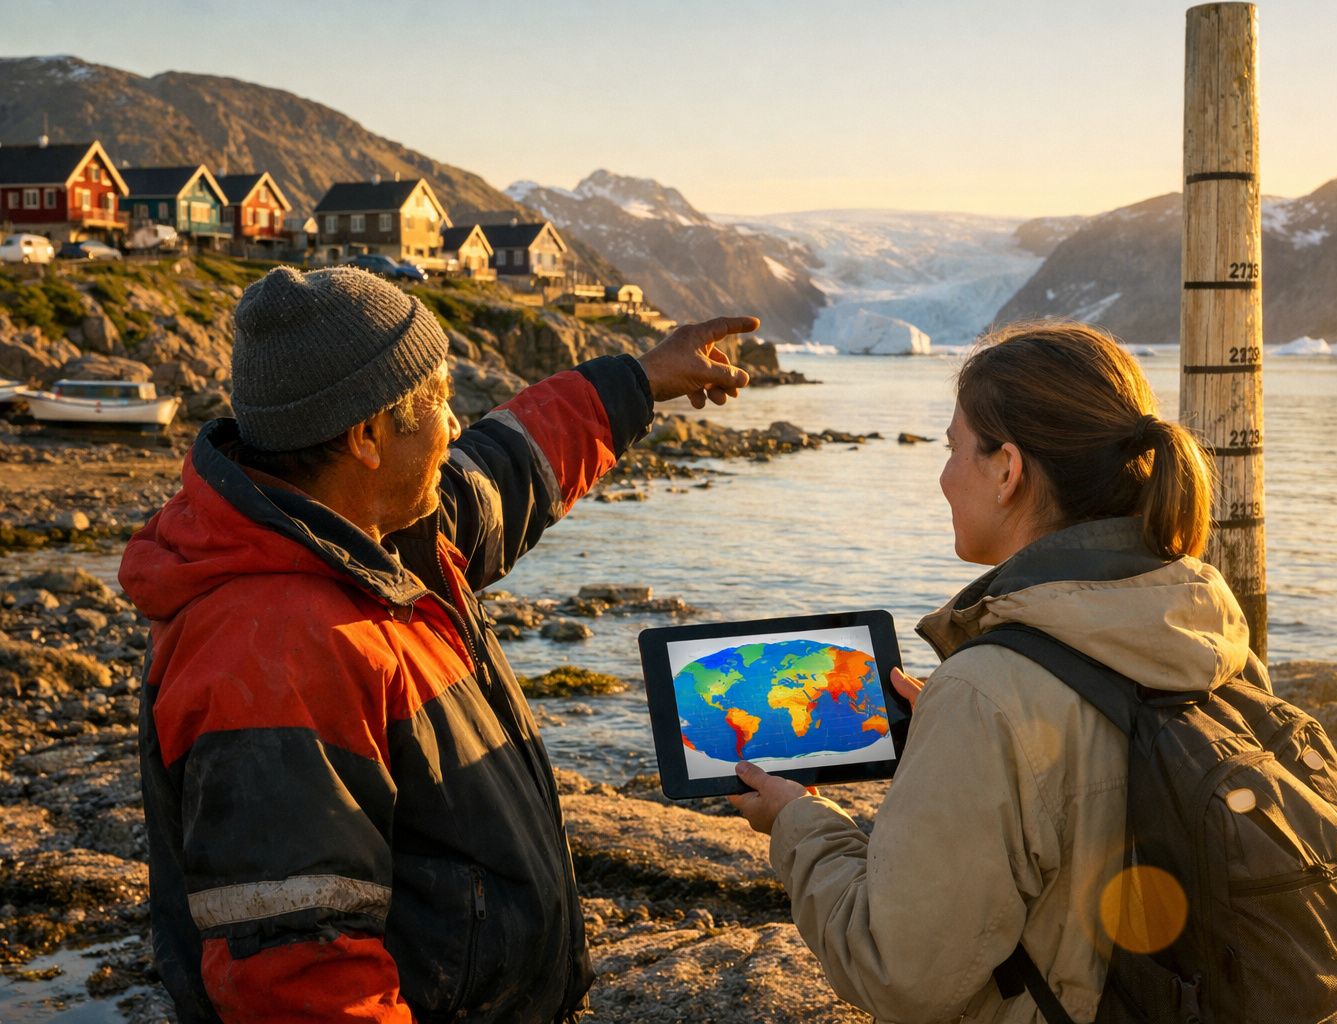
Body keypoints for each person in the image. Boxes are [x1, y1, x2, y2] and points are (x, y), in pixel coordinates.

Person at [119, 265, 756, 1023]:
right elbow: (301, 978)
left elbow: (510, 464)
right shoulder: (277, 648)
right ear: (366, 437)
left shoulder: (378, 534)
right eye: (440, 406)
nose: (455, 428)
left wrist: (644, 380)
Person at [730, 320, 1261, 1023]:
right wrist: (958, 748)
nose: (943, 476)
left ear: (1007, 469)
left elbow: (896, 972)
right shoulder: (1212, 630)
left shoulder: (989, 693)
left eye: (953, 448)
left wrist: (800, 823)